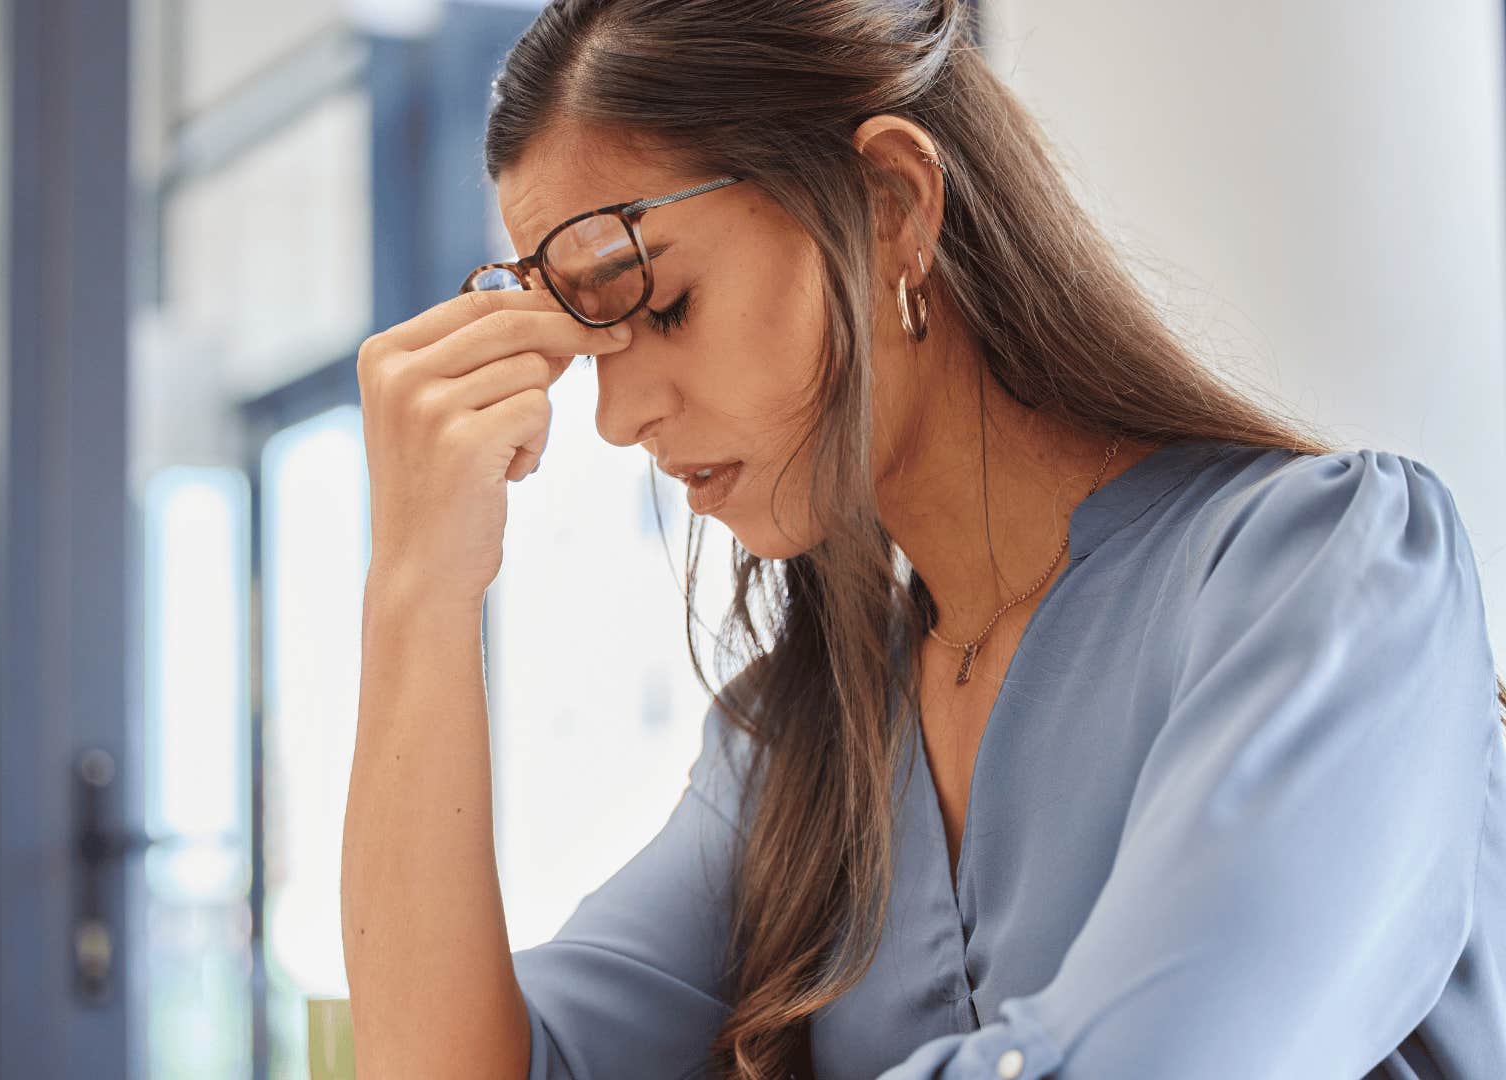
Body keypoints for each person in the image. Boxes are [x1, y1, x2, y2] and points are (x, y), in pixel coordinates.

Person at [339, 1, 1506, 1076]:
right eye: (596, 351)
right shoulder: (800, 745)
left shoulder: (1325, 575)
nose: (617, 415)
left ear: (891, 204)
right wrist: (417, 583)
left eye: (663, 305)